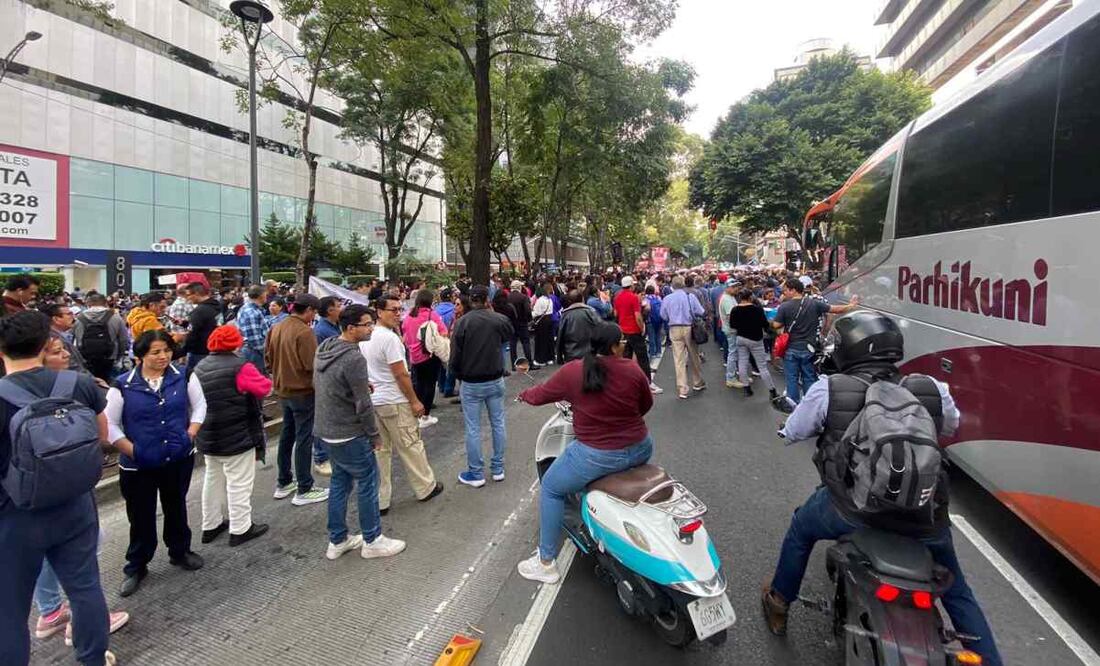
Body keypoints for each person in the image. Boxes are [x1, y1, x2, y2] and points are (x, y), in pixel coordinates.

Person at [762, 311, 1003, 666]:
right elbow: (950, 425)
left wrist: (789, 431)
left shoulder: (830, 388)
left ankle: (779, 602)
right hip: (924, 515)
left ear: (844, 350)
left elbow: (796, 430)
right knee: (957, 591)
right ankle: (990, 659)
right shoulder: (931, 387)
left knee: (801, 529)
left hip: (850, 509)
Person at [0, 311, 118, 666]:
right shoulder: (78, 384)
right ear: (43, 345)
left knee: (9, 609)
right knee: (85, 589)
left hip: (13, 515)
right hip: (75, 504)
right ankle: (92, 658)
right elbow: (101, 436)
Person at [516, 322, 654, 583]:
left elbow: (541, 394)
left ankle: (545, 562)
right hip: (640, 447)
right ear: (614, 346)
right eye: (622, 341)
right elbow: (645, 405)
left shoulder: (573, 372)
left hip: (596, 455)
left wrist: (524, 394)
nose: (624, 344)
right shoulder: (632, 369)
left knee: (551, 487)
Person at [107, 330, 206, 598]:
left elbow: (199, 406)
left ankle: (180, 550)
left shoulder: (183, 375)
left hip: (177, 457)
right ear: (140, 356)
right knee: (140, 514)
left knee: (176, 504)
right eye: (156, 352)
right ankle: (137, 565)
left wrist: (191, 433)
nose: (163, 356)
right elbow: (111, 426)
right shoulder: (122, 385)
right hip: (138, 465)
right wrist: (133, 450)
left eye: (167, 350)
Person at [314, 304, 407, 561]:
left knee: (339, 482)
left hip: (327, 428)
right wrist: (374, 435)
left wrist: (357, 385)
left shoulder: (327, 347)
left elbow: (328, 383)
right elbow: (363, 404)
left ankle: (338, 539)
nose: (371, 328)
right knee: (368, 482)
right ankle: (372, 538)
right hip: (349, 431)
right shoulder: (353, 357)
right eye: (367, 324)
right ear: (351, 328)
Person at [362, 294, 444, 514]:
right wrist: (415, 401)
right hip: (394, 401)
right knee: (411, 445)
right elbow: (401, 374)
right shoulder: (388, 339)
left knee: (381, 452)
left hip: (373, 402)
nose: (398, 314)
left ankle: (381, 499)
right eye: (393, 310)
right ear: (379, 312)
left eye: (400, 309)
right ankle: (425, 487)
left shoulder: (366, 336)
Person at [193, 326, 271, 548]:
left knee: (212, 479)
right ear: (235, 344)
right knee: (239, 482)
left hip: (208, 433)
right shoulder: (240, 366)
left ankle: (211, 524)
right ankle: (241, 527)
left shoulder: (200, 366)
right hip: (237, 433)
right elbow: (264, 388)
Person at [265, 294, 329, 506]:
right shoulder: (304, 332)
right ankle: (305, 486)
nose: (314, 316)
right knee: (304, 438)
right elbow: (313, 365)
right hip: (302, 391)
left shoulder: (277, 327)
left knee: (287, 435)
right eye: (314, 312)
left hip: (283, 389)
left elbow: (268, 358)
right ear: (309, 310)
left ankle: (284, 481)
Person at [449, 286, 513, 488]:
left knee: (473, 428)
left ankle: (476, 472)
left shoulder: (462, 323)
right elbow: (507, 337)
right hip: (494, 378)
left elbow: (455, 356)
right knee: (498, 423)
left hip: (471, 381)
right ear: (487, 299)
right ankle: (498, 468)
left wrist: (458, 375)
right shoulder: (499, 319)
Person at [772, 278, 858, 406]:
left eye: (786, 291)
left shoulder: (785, 306)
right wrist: (851, 306)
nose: (784, 294)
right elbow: (835, 310)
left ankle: (793, 405)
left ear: (793, 290)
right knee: (809, 377)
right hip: (809, 348)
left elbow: (776, 324)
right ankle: (810, 404)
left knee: (792, 379)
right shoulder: (815, 303)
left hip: (791, 349)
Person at [401, 289, 448, 428]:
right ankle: (425, 415)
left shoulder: (408, 315)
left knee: (417, 384)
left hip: (413, 355)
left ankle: (416, 412)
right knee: (430, 385)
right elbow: (443, 331)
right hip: (429, 354)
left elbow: (404, 331)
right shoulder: (431, 315)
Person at [660, 276, 705, 400]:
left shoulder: (667, 298)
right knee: (694, 356)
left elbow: (663, 315)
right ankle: (697, 381)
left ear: (672, 285)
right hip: (689, 328)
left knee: (679, 359)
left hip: (674, 328)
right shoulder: (690, 297)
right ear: (684, 284)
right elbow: (701, 311)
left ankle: (682, 388)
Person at [613, 276, 661, 395]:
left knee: (626, 357)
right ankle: (648, 383)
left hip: (623, 330)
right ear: (631, 285)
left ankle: (625, 383)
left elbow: (615, 313)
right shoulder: (633, 297)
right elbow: (638, 316)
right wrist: (642, 328)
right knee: (643, 358)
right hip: (634, 330)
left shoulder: (617, 297)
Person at [729, 289, 778, 399]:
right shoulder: (757, 310)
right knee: (762, 367)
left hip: (741, 338)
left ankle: (747, 388)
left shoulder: (735, 309)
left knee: (742, 363)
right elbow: (764, 324)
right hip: (755, 339)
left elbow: (732, 325)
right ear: (750, 297)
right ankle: (772, 390)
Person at [73, 293, 129, 382]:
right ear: (105, 303)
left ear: (88, 303)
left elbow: (76, 339)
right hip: (109, 356)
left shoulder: (80, 318)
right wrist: (119, 356)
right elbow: (123, 339)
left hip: (86, 357)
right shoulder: (115, 317)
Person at [182, 282, 222, 375]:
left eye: (188, 295)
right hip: (216, 348)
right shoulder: (217, 306)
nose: (187, 299)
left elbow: (192, 334)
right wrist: (186, 323)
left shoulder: (198, 312)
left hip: (199, 352)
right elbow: (208, 324)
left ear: (196, 294)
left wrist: (183, 350)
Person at [556, 290, 599, 365]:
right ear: (582, 299)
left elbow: (560, 337)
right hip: (590, 353)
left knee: (574, 375)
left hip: (571, 354)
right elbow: (600, 331)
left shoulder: (566, 315)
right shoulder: (591, 312)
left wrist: (559, 356)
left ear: (569, 301)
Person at [42, 303, 88, 372]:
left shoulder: (61, 335)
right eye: (69, 314)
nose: (73, 316)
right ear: (56, 319)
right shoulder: (52, 339)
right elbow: (71, 366)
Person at [235, 286, 270, 374]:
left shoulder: (250, 309)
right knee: (259, 379)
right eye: (265, 295)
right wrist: (265, 353)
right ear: (261, 295)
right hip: (254, 352)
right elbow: (255, 339)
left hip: (252, 350)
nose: (267, 297)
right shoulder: (251, 312)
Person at [507, 280, 534, 368]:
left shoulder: (508, 297)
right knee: (526, 343)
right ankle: (529, 362)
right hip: (522, 323)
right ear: (519, 287)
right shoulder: (523, 297)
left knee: (512, 343)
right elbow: (527, 310)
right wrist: (529, 320)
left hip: (511, 323)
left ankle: (514, 365)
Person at [718, 279, 739, 388]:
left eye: (737, 286)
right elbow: (732, 316)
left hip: (731, 329)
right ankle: (731, 377)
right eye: (734, 286)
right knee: (733, 353)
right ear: (728, 287)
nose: (736, 288)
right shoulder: (727, 299)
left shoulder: (730, 297)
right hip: (731, 330)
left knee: (734, 353)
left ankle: (733, 375)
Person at [531, 282, 555, 367]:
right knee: (549, 340)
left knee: (541, 341)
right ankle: (549, 358)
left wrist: (531, 314)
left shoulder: (540, 300)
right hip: (549, 320)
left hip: (541, 322)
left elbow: (536, 313)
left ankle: (540, 360)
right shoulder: (550, 300)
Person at [643, 285, 663, 360]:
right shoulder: (658, 298)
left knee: (651, 336)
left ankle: (653, 353)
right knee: (658, 335)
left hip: (650, 320)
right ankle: (659, 352)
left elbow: (647, 308)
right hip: (659, 319)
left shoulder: (646, 299)